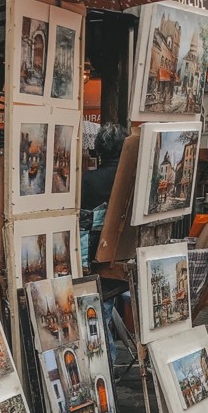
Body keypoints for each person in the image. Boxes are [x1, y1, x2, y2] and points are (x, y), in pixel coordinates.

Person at [80, 123, 130, 364]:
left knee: (101, 310)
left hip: (92, 257)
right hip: (124, 255)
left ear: (99, 149)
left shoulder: (87, 181)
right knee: (109, 307)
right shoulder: (132, 180)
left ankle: (105, 363)